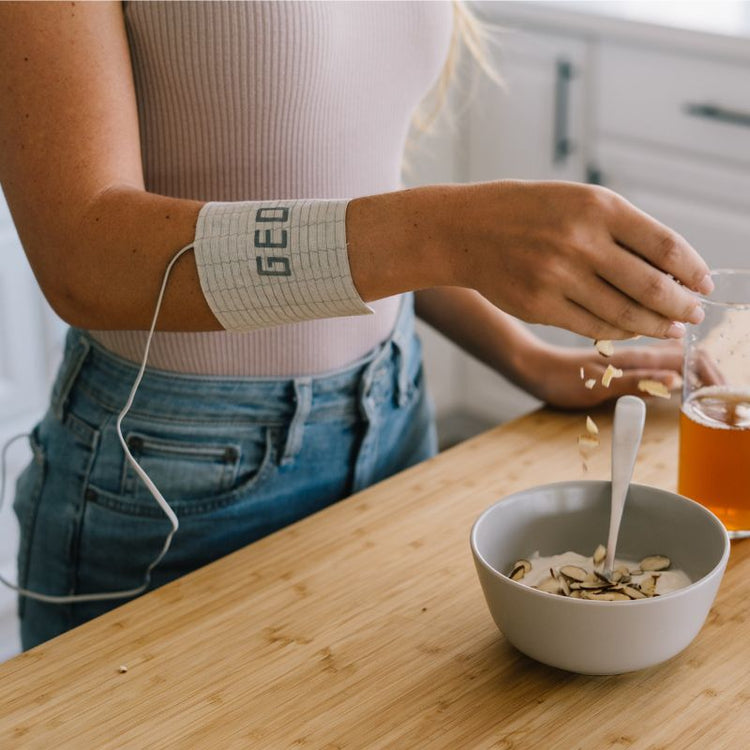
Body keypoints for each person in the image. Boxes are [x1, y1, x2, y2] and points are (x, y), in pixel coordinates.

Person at [0, 1, 711, 651]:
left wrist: (525, 358)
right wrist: (451, 231)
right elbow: (81, 254)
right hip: (171, 474)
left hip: (396, 415)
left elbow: (347, 187)